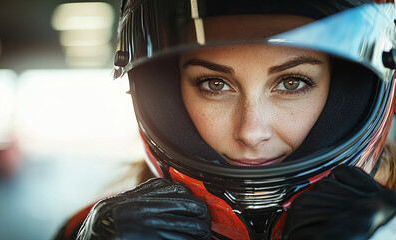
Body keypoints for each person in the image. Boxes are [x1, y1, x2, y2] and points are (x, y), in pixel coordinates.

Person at [53, 0, 396, 239]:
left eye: (292, 83)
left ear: (348, 93)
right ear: (166, 96)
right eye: (214, 84)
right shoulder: (88, 230)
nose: (250, 131)